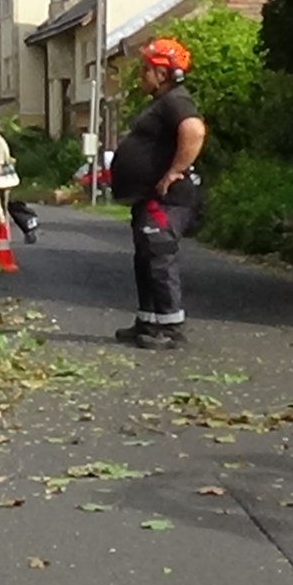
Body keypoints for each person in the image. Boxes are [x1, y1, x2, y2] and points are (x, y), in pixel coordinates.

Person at [109, 38, 208, 351]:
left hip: (167, 198)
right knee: (146, 258)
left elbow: (194, 131)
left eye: (146, 70)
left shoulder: (177, 101)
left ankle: (171, 328)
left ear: (163, 73)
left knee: (160, 255)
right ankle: (149, 321)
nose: (142, 75)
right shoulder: (162, 102)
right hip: (148, 196)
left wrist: (174, 171)